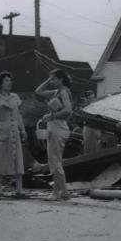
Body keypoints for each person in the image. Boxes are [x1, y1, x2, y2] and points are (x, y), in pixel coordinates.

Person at [0, 71, 27, 197]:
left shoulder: (14, 97)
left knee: (17, 158)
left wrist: (23, 130)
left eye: (10, 80)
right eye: (6, 81)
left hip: (14, 129)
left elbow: (18, 114)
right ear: (1, 83)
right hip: (2, 128)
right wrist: (0, 105)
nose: (9, 83)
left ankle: (19, 190)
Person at [35, 68, 74, 201]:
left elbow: (68, 110)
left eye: (54, 79)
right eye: (51, 79)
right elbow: (38, 92)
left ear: (61, 79)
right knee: (55, 160)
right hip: (56, 128)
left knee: (54, 160)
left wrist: (51, 116)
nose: (52, 82)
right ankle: (60, 192)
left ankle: (61, 192)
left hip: (58, 128)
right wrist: (49, 79)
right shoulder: (56, 92)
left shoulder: (63, 92)